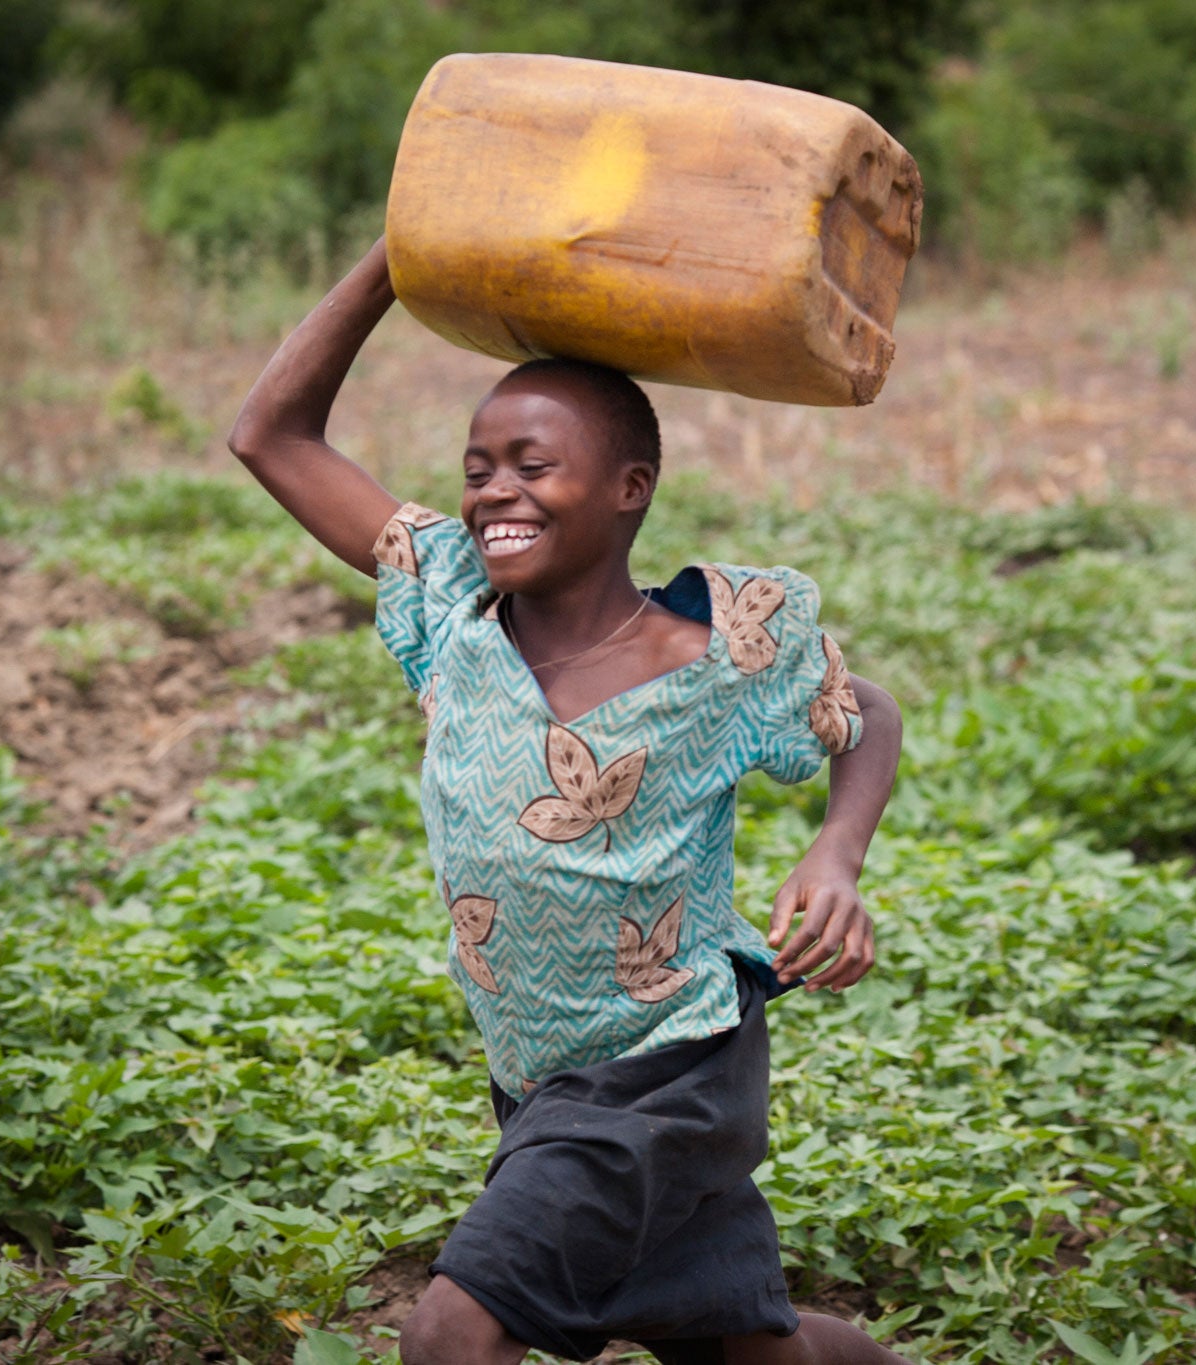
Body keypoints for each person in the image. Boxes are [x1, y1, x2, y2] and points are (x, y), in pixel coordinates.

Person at [229, 238, 908, 1365]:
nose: (495, 488)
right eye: (477, 466)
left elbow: (867, 711)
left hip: (670, 1063)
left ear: (629, 489)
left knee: (450, 1338)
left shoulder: (716, 651)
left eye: (532, 465)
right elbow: (272, 437)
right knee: (746, 1350)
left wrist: (835, 856)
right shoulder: (445, 605)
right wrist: (398, 258)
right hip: (540, 1075)